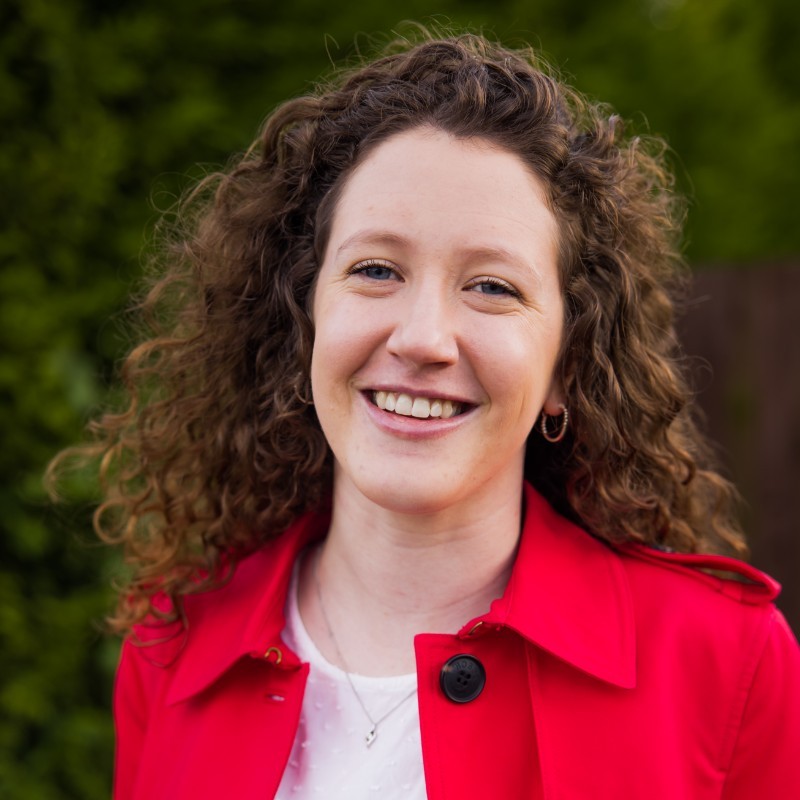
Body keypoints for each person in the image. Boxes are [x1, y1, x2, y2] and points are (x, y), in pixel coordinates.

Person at [52, 28, 799, 799]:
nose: (422, 339)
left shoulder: (727, 662)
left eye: (492, 287)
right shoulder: (172, 648)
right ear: (304, 320)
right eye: (376, 269)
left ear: (566, 366)